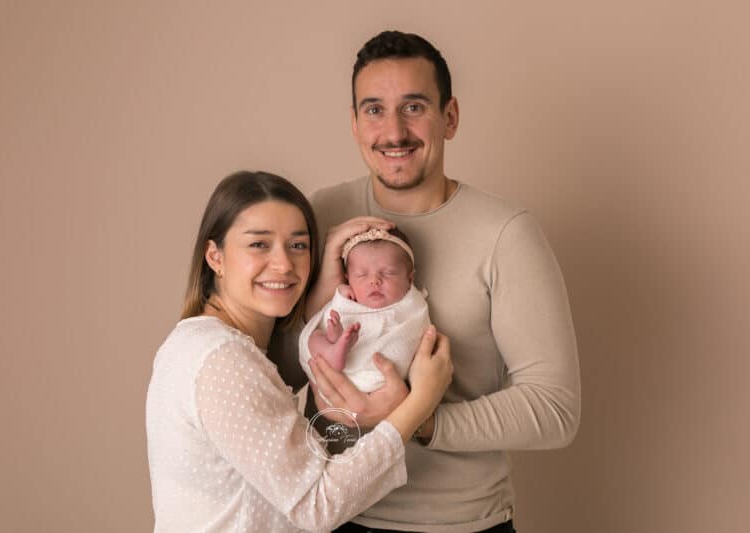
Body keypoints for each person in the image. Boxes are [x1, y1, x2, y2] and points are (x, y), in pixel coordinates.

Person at [300, 31, 581, 533]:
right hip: (328, 513)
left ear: (449, 116)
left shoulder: (505, 235)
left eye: (413, 107)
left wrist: (418, 418)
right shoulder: (320, 214)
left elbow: (555, 408)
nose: (393, 131)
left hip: (457, 524)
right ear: (354, 122)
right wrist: (320, 289)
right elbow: (273, 371)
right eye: (373, 109)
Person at [145, 171, 453, 532]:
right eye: (259, 244)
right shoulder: (223, 359)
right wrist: (418, 405)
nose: (284, 265)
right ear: (215, 256)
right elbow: (317, 505)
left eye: (298, 245)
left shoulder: (201, 342)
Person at [299, 227, 430, 392]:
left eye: (388, 273)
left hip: (380, 376)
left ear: (410, 278)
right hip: (331, 371)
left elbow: (416, 334)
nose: (374, 281)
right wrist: (341, 295)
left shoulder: (413, 306)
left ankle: (338, 346)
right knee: (314, 335)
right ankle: (334, 348)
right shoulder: (348, 297)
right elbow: (333, 310)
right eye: (361, 275)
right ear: (348, 278)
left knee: (316, 337)